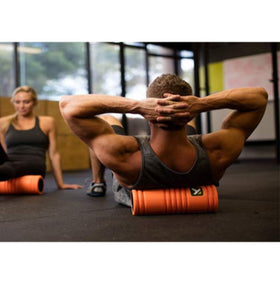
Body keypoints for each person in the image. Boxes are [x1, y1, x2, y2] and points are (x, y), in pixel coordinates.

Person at [59, 74, 268, 206]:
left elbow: (68, 106)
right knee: (191, 131)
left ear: (150, 110)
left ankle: (98, 182)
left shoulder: (123, 153)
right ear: (191, 111)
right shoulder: (218, 151)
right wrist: (202, 104)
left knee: (108, 121)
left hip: (138, 167)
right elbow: (259, 97)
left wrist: (137, 106)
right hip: (197, 166)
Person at [0, 86, 82, 201]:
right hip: (10, 160)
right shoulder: (3, 122)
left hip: (34, 163)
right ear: (13, 103)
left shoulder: (47, 122)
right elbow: (3, 151)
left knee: (13, 166)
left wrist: (61, 184)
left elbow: (54, 154)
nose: (21, 106)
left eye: (26, 102)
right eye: (18, 102)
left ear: (34, 103)